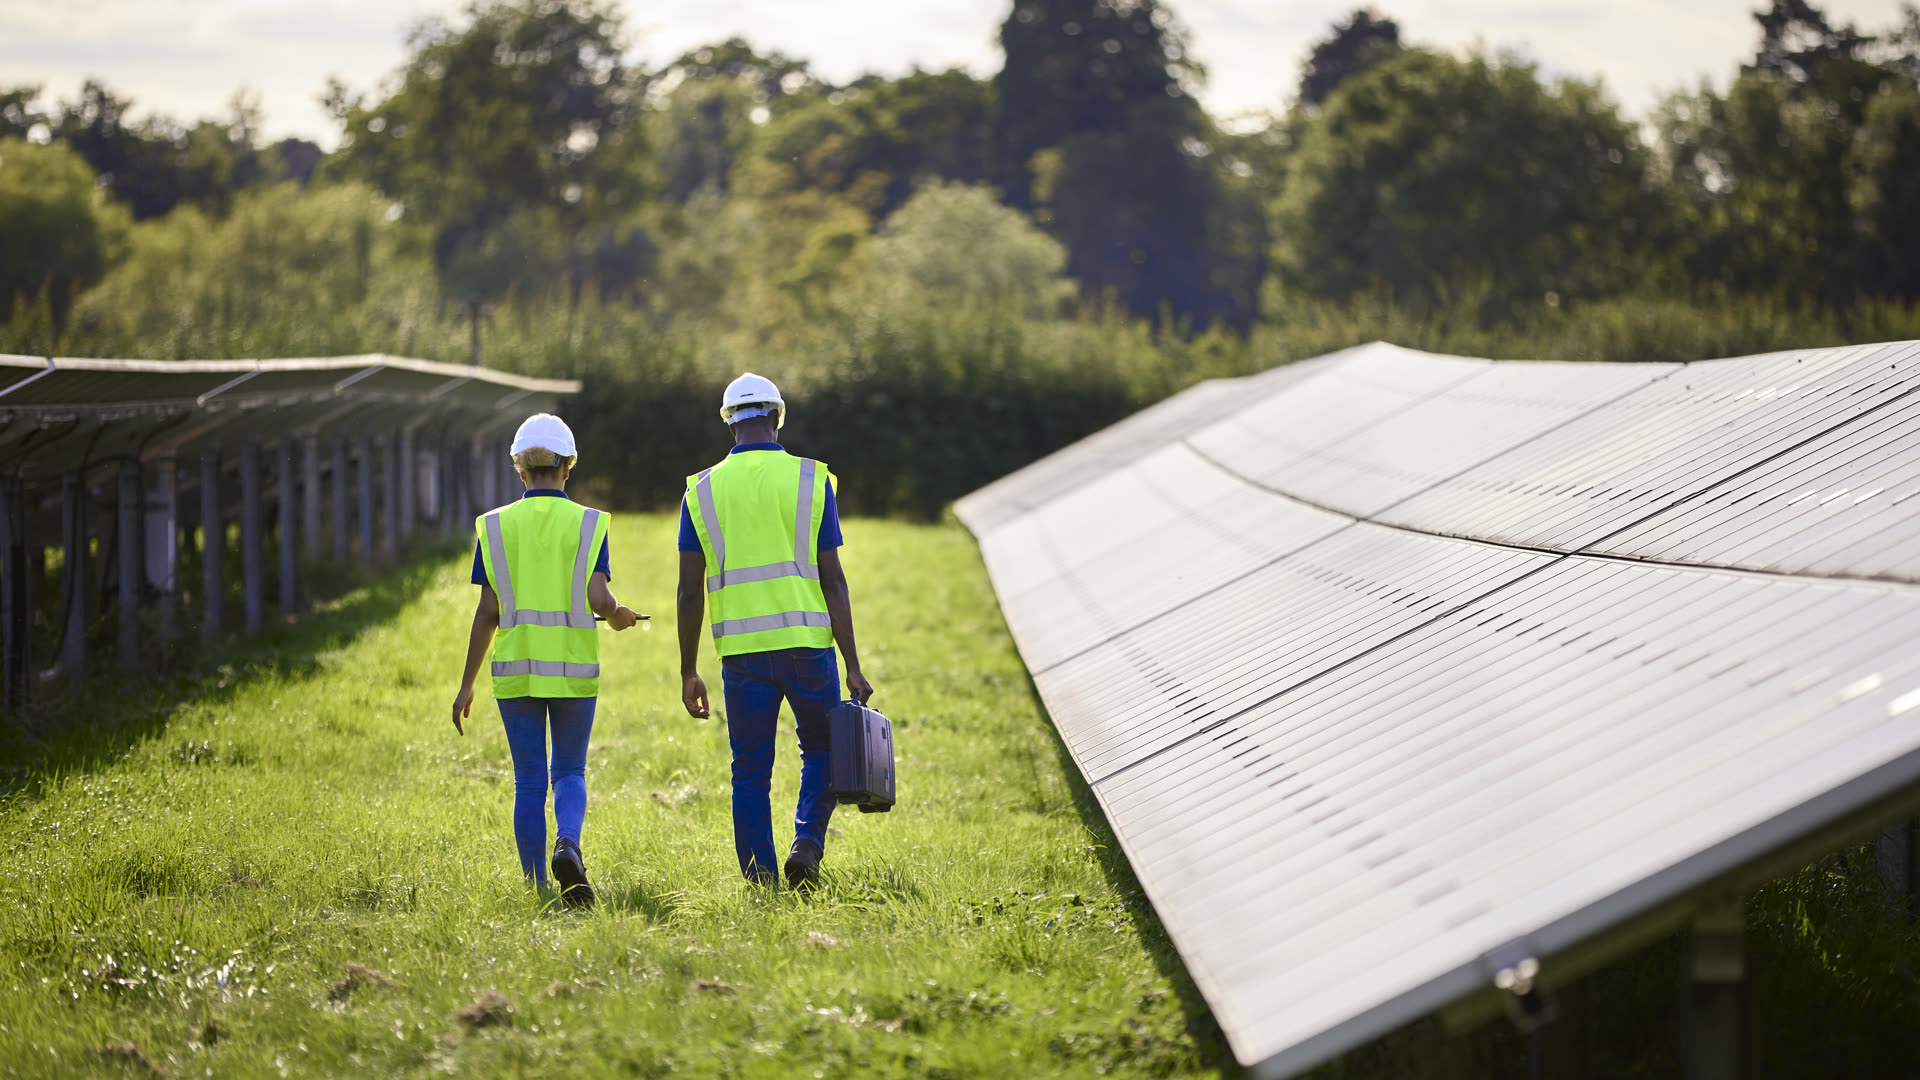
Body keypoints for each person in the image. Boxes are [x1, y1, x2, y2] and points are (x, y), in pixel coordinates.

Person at [677, 372, 874, 889]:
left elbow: (688, 592)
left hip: (741, 654)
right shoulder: (812, 481)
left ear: (729, 424)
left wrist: (687, 670)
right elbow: (833, 579)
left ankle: (761, 881)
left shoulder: (700, 491)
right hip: (809, 648)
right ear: (777, 417)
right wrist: (852, 663)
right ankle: (806, 846)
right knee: (824, 748)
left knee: (750, 771)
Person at [451, 413, 640, 907]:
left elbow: (487, 610)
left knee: (529, 781)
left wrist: (466, 684)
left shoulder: (494, 527)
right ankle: (569, 845)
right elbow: (600, 598)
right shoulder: (588, 523)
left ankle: (537, 889)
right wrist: (618, 616)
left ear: (520, 470)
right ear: (568, 467)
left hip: (516, 675)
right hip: (574, 671)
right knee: (570, 772)